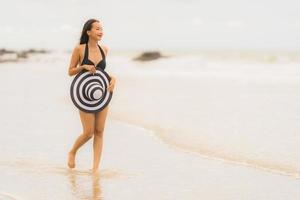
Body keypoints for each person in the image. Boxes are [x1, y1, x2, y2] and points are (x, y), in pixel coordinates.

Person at [67, 18, 116, 174]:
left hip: (101, 94)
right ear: (88, 32)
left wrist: (113, 79)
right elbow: (70, 71)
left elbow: (102, 73)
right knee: (88, 132)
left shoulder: (105, 49)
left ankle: (95, 169)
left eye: (101, 28)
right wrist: (83, 66)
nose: (101, 31)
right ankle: (73, 151)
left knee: (100, 131)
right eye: (97, 29)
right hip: (84, 95)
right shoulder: (80, 49)